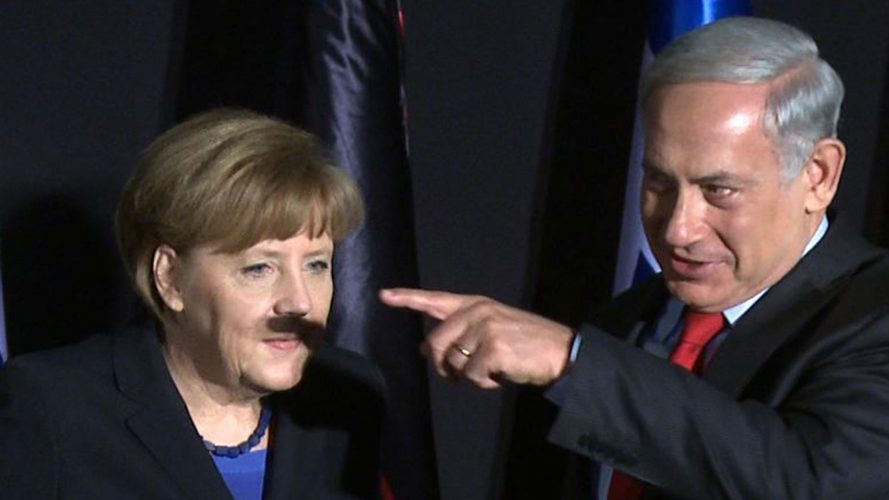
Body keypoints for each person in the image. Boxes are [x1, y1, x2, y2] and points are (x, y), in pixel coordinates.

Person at [381, 17, 889, 499]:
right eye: (659, 182)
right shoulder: (624, 321)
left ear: (818, 175)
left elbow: (810, 482)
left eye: (718, 190)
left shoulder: (874, 313)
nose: (677, 229)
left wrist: (573, 362)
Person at [0, 108, 385, 499]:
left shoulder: (348, 399)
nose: (300, 302)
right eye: (259, 269)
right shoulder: (54, 408)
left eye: (316, 265)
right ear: (170, 278)